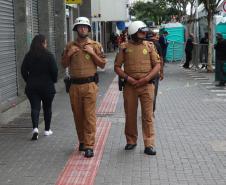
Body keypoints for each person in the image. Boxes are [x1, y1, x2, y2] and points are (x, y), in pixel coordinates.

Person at [61, 17, 106, 158]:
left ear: (89, 29)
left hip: (90, 85)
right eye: (80, 27)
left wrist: (92, 53)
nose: (83, 29)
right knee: (78, 116)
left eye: (85, 27)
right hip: (74, 86)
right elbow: (63, 64)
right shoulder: (69, 46)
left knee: (89, 116)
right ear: (76, 29)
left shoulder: (96, 45)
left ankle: (89, 145)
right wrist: (69, 54)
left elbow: (103, 64)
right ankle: (82, 141)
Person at [114, 21, 161, 155]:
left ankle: (149, 144)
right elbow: (117, 67)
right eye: (141, 32)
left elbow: (157, 65)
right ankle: (131, 141)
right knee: (130, 115)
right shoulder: (124, 47)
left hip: (147, 86)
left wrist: (146, 78)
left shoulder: (150, 46)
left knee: (148, 116)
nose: (144, 34)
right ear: (133, 33)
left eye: (144, 32)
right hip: (130, 86)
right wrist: (128, 78)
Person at [21, 34, 58, 140]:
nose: (46, 44)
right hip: (47, 86)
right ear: (43, 43)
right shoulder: (49, 55)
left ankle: (35, 129)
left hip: (32, 87)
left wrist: (28, 80)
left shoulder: (29, 55)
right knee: (47, 107)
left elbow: (23, 70)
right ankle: (47, 130)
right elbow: (54, 70)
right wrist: (53, 80)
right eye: (45, 42)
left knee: (35, 107)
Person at [147, 31, 164, 113]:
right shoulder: (157, 44)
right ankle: (151, 112)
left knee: (145, 93)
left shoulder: (143, 43)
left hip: (145, 73)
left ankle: (146, 110)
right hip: (155, 72)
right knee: (154, 93)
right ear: (154, 35)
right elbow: (161, 59)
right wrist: (162, 71)